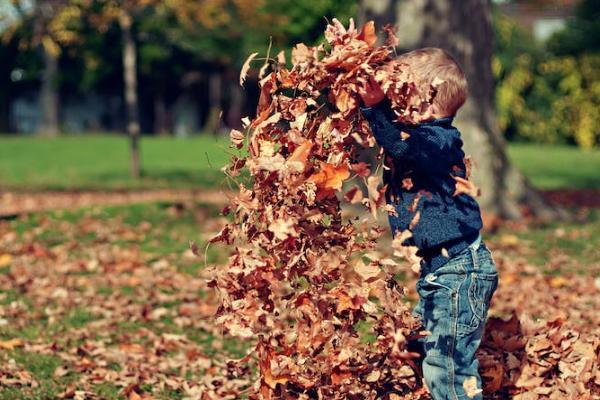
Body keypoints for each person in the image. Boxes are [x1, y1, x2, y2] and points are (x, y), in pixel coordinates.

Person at [358, 47, 498, 400]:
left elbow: (403, 148)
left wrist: (375, 109)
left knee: (448, 367)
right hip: (440, 273)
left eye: (402, 95)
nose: (394, 103)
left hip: (459, 273)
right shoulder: (423, 137)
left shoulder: (439, 140)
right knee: (418, 343)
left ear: (427, 103)